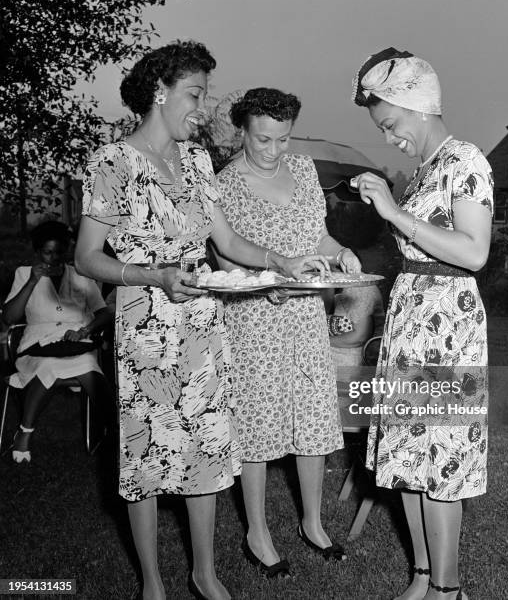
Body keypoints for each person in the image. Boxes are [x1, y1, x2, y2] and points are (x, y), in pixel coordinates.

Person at [74, 42, 329, 600]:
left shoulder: (194, 162)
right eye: (195, 94)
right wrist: (153, 276)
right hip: (147, 325)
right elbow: (87, 257)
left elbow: (229, 241)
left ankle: (205, 573)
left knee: (209, 453)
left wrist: (280, 260)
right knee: (146, 455)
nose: (202, 106)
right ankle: (152, 582)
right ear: (159, 93)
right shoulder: (111, 162)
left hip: (203, 328)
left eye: (206, 95)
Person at [351, 47, 493, 600]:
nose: (390, 138)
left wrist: (393, 213)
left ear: (417, 105)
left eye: (390, 124)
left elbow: (474, 252)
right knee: (410, 459)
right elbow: (416, 250)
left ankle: (449, 589)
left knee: (443, 464)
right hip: (412, 320)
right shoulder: (424, 172)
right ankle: (422, 576)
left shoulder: (467, 161)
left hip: (448, 327)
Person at [214, 87, 362, 576]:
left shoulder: (302, 170)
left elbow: (314, 235)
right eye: (262, 139)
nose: (273, 150)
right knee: (257, 424)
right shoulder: (225, 183)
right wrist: (267, 283)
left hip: (305, 316)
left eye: (283, 138)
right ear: (242, 131)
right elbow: (223, 256)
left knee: (313, 418)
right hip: (255, 317)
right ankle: (257, 531)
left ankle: (313, 522)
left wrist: (340, 252)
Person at [2, 221, 112, 464]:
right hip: (37, 348)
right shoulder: (23, 273)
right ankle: (25, 432)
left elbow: (103, 312)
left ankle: (113, 433)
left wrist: (86, 329)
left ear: (67, 250)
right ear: (37, 251)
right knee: (49, 366)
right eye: (47, 252)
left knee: (89, 367)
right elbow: (9, 317)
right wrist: (32, 282)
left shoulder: (80, 275)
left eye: (59, 252)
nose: (53, 258)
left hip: (77, 344)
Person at [323, 284, 385, 367]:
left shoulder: (360, 289)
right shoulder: (332, 286)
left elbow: (360, 337)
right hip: (329, 362)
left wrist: (317, 342)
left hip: (352, 366)